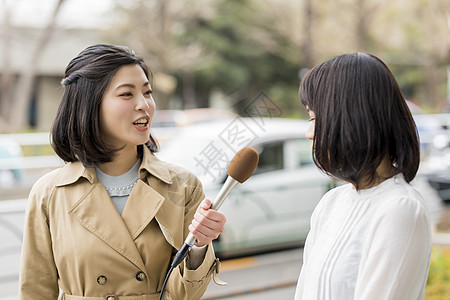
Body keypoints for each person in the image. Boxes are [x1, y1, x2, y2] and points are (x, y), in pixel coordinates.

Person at [19, 44, 226, 300]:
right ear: (89, 105)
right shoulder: (49, 193)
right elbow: (35, 290)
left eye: (148, 92)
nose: (144, 105)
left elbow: (185, 295)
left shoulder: (183, 185)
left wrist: (199, 246)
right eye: (127, 94)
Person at [294, 53, 432, 300]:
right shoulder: (331, 203)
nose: (309, 132)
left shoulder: (400, 208)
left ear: (351, 118)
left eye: (314, 117)